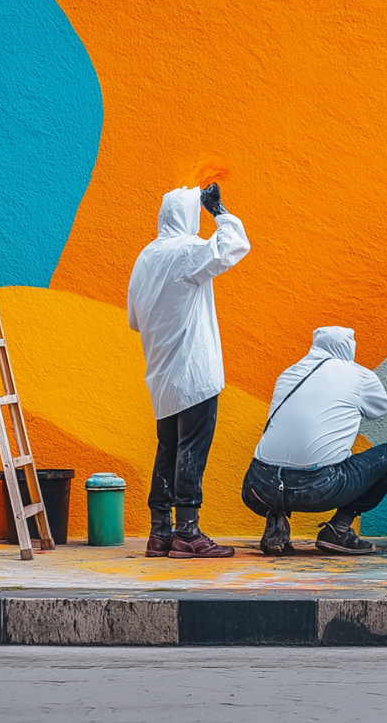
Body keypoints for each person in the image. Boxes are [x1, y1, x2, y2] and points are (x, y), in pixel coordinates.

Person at [129, 183, 250, 558]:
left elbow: (135, 319)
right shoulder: (185, 250)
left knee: (167, 448)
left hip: (161, 373)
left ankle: (159, 532)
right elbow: (232, 246)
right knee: (191, 450)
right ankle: (187, 532)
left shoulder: (146, 256)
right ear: (188, 216)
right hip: (194, 372)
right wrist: (219, 210)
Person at [242, 327, 387, 556]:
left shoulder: (289, 373)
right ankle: (339, 529)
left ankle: (276, 524)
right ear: (349, 346)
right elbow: (379, 409)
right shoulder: (360, 375)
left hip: (258, 487)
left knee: (282, 457)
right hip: (319, 488)